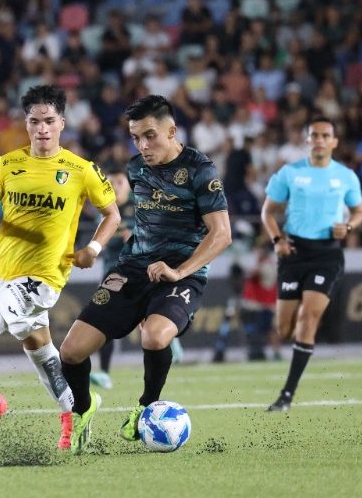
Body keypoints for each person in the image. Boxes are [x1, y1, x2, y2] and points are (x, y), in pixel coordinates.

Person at [57, 95, 232, 454]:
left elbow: (222, 234)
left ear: (172, 131)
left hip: (182, 273)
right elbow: (130, 216)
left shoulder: (201, 170)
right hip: (132, 269)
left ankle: (145, 406)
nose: (142, 145)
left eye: (150, 136)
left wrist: (178, 270)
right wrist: (98, 246)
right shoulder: (136, 168)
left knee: (154, 337)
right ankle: (84, 407)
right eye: (136, 137)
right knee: (71, 352)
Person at [0, 85, 122, 449]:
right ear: (26, 124)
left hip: (43, 278)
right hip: (6, 275)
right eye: (35, 121)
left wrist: (93, 247)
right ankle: (76, 408)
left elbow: (112, 214)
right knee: (41, 351)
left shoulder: (81, 170)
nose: (42, 129)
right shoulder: (6, 164)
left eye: (49, 121)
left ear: (62, 123)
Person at [262, 116, 362, 412]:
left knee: (309, 318)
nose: (319, 140)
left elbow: (358, 211)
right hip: (294, 252)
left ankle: (286, 396)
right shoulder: (289, 173)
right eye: (314, 135)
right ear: (307, 140)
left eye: (325, 135)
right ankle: (300, 346)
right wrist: (277, 241)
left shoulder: (345, 176)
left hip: (327, 254)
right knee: (284, 329)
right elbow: (267, 212)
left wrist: (348, 227)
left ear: (334, 142)